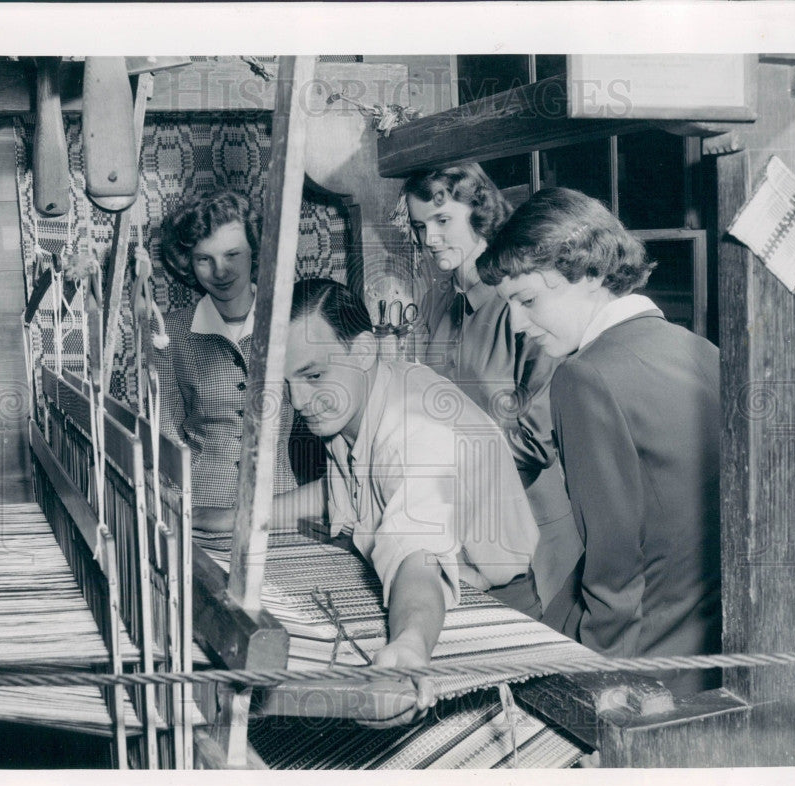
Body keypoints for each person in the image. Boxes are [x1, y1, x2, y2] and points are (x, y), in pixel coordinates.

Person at [198, 278, 540, 706]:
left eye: (313, 375)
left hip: (488, 613)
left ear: (362, 349)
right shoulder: (357, 396)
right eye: (286, 385)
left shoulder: (419, 431)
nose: (299, 402)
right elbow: (353, 489)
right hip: (439, 601)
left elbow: (418, 560)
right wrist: (238, 516)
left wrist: (411, 645)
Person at [478, 187, 722, 692]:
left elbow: (615, 571)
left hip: (649, 656)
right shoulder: (700, 348)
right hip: (713, 637)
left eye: (528, 301)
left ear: (590, 275)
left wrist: (595, 691)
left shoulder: (584, 377)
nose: (518, 325)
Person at [394, 163, 583, 623]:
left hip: (532, 538)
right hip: (460, 524)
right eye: (421, 227)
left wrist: (440, 471)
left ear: (479, 214)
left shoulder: (522, 303)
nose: (430, 239)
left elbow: (537, 440)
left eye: (443, 222)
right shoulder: (437, 301)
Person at [155, 188, 303, 511]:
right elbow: (166, 432)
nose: (220, 271)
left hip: (281, 508)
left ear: (255, 252)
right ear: (188, 263)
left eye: (232, 254)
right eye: (204, 259)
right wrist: (177, 503)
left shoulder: (291, 322)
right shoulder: (169, 332)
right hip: (201, 510)